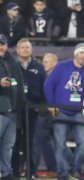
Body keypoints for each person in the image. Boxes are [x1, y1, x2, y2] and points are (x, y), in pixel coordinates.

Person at [44, 43, 84, 180]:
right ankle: (62, 174)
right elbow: (48, 84)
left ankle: (76, 171)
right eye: (81, 53)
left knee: (82, 144)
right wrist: (51, 103)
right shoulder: (62, 66)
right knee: (60, 146)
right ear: (75, 53)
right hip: (61, 111)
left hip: (77, 112)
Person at [11, 38, 47, 178]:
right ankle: (14, 171)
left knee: (31, 143)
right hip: (16, 110)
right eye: (23, 47)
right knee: (14, 142)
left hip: (33, 110)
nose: (26, 49)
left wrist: (42, 106)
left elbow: (45, 88)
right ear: (18, 50)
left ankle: (31, 172)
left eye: (28, 47)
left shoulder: (38, 66)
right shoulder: (12, 65)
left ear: (31, 50)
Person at [0, 34, 24, 180]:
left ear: (7, 45)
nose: (0, 47)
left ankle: (6, 172)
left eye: (2, 44)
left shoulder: (12, 62)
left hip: (13, 110)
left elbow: (19, 84)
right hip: (1, 110)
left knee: (8, 145)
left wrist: (20, 104)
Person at [32, 52, 59, 178]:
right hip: (51, 114)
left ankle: (32, 171)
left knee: (37, 143)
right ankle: (53, 169)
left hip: (47, 114)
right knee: (51, 143)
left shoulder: (54, 77)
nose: (43, 64)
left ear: (54, 63)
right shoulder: (46, 75)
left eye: (46, 62)